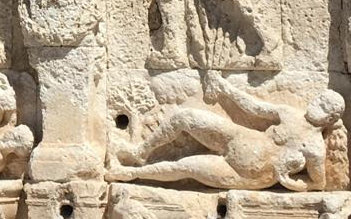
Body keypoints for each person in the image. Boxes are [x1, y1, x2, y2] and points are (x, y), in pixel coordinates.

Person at [108, 72, 344, 190]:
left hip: (250, 173)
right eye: (319, 100)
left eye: (324, 107)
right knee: (185, 117)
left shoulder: (314, 148)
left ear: (330, 119)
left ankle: (130, 174)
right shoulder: (291, 114)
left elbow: (318, 183)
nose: (316, 105)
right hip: (240, 138)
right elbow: (255, 107)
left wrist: (290, 182)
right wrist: (225, 87)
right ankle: (140, 152)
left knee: (185, 166)